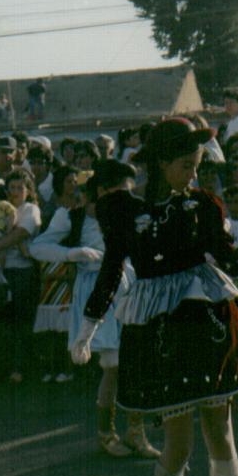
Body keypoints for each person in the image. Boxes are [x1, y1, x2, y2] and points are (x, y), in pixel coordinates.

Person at [71, 118, 238, 476]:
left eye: (196, 165)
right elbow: (112, 268)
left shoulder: (202, 205)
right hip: (161, 336)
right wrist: (89, 324)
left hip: (206, 325)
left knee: (220, 433)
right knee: (179, 442)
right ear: (160, 163)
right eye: (186, 166)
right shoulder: (122, 209)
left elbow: (232, 263)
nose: (193, 175)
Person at [31, 163, 159, 459]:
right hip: (95, 287)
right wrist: (70, 253)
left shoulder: (127, 213)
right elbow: (38, 247)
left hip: (128, 284)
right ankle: (107, 433)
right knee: (113, 365)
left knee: (135, 360)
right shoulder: (71, 217)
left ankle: (136, 432)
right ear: (99, 192)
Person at [0, 169, 41, 383]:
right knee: (1, 323)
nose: (15, 192)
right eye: (11, 188)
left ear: (28, 191)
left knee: (21, 323)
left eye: (19, 188)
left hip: (22, 272)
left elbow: (20, 234)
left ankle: (19, 368)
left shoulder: (31, 209)